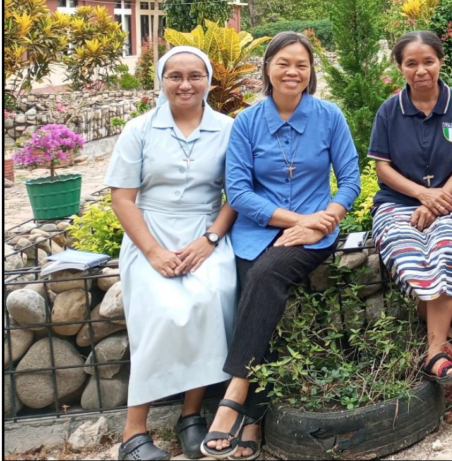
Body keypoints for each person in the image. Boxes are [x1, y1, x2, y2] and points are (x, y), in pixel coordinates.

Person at [203, 32, 361, 459]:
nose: (293, 72)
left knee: (266, 274)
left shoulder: (329, 117)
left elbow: (350, 180)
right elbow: (237, 192)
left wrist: (322, 222)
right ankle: (253, 422)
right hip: (258, 231)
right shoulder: (247, 123)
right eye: (283, 63)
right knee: (256, 290)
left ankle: (234, 398)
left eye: (302, 65)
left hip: (315, 235)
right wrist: (299, 220)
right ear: (267, 68)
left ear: (311, 73)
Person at [106, 46, 238, 461]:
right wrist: (154, 253)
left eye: (195, 75)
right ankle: (133, 431)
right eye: (175, 75)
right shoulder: (139, 129)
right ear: (161, 80)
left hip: (204, 234)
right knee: (160, 310)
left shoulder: (229, 128)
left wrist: (210, 239)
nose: (185, 84)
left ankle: (191, 415)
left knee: (212, 296)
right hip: (152, 234)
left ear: (209, 80)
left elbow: (236, 193)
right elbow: (123, 198)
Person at [368, 31, 452, 383]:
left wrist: (438, 201)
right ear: (400, 67)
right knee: (408, 252)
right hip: (397, 204)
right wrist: (423, 196)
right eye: (412, 63)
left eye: (428, 61)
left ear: (440, 62)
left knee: (448, 245)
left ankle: (435, 351)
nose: (421, 70)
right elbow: (382, 168)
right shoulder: (390, 111)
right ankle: (443, 341)